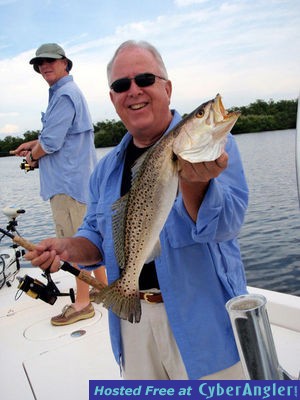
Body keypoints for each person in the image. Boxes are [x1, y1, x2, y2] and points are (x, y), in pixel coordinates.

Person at [25, 40, 249, 379]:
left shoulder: (215, 148)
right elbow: (96, 240)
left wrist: (194, 183)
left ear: (167, 88)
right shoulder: (105, 170)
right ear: (113, 99)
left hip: (207, 323)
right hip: (132, 323)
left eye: (144, 79)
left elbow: (226, 226)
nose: (134, 91)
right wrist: (68, 247)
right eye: (120, 85)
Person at [11, 43, 107, 326]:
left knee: (74, 246)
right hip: (76, 184)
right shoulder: (65, 94)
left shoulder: (64, 95)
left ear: (66, 63)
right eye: (39, 63)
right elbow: (58, 138)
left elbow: (51, 143)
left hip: (68, 187)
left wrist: (33, 155)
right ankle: (102, 290)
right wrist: (33, 145)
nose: (44, 66)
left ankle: (83, 303)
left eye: (50, 61)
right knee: (89, 241)